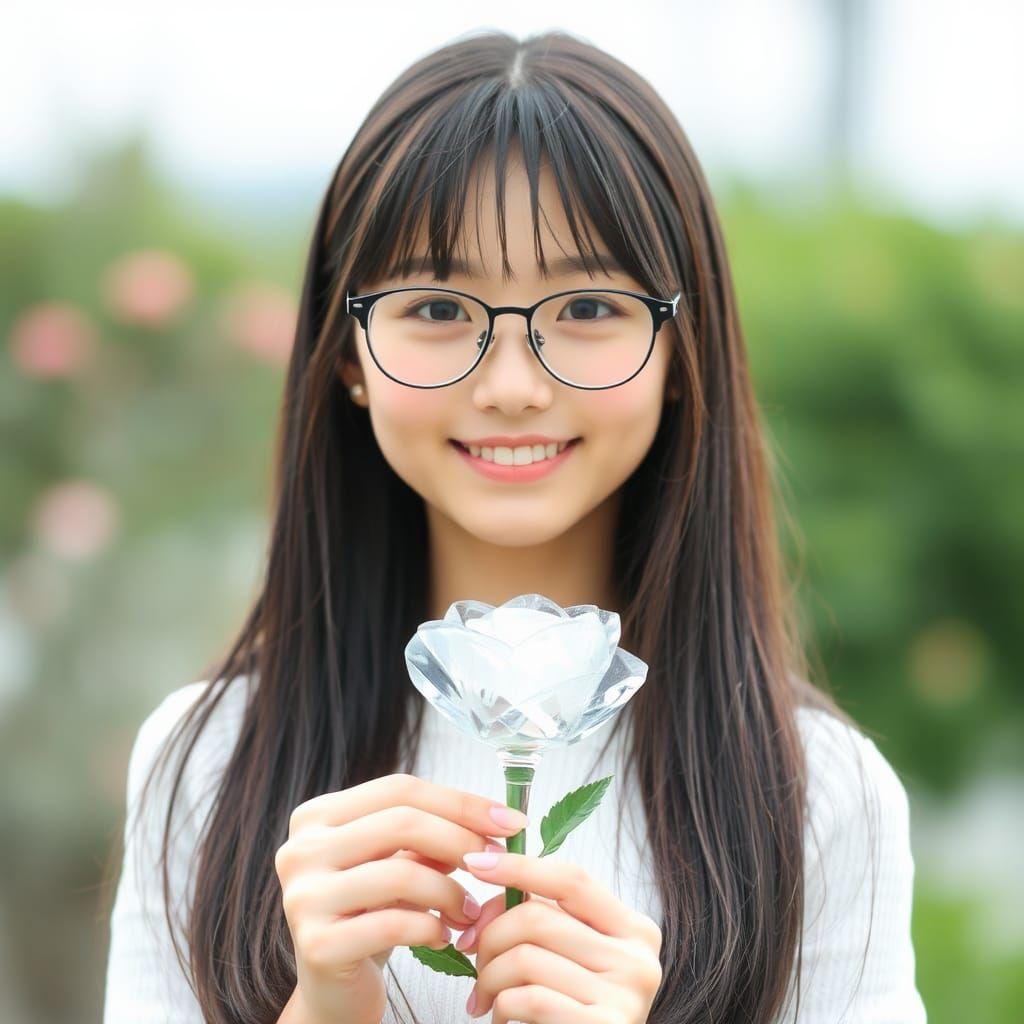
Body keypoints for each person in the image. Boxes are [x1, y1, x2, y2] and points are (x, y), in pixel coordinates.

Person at [101, 28, 928, 1024]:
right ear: (348, 351)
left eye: (586, 306)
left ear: (682, 348)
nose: (511, 385)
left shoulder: (818, 795)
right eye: (436, 308)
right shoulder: (207, 760)